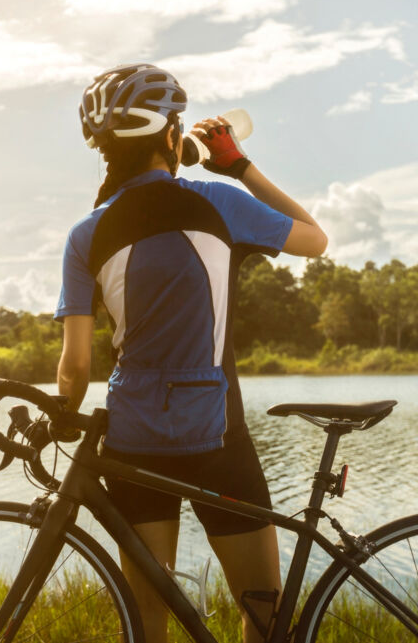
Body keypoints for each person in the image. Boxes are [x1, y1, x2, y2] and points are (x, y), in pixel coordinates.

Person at [55, 63, 328, 643]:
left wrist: (62, 411)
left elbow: (75, 368)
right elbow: (315, 239)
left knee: (148, 624)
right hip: (217, 439)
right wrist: (239, 165)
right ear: (172, 136)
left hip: (132, 443)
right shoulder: (219, 202)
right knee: (264, 614)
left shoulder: (87, 235)